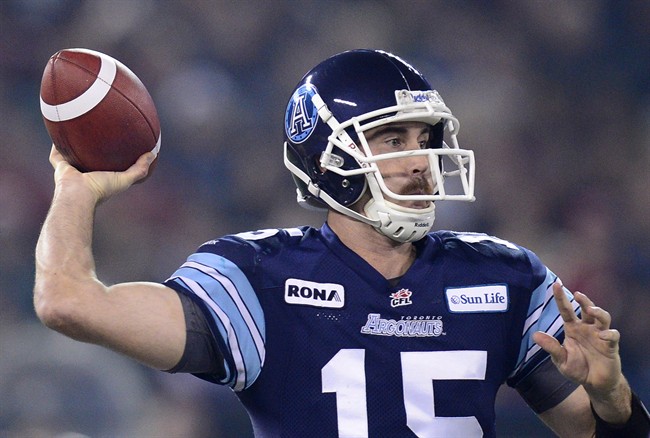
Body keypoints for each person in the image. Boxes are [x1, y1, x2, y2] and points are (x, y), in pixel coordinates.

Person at [34, 49, 649, 437]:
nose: (422, 161)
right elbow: (67, 302)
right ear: (329, 158)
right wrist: (76, 189)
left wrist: (612, 395)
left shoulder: (504, 276)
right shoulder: (255, 278)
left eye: (426, 139)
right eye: (393, 139)